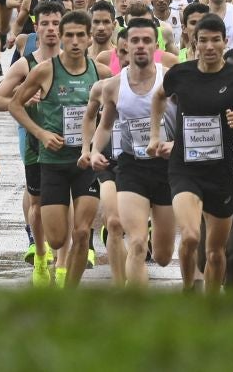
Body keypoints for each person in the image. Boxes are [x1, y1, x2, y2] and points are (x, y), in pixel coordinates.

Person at [149, 13, 233, 293]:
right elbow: (158, 97)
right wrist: (156, 135)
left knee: (216, 252)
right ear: (193, 42)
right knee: (190, 236)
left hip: (222, 174)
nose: (210, 46)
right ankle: (190, 288)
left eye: (216, 40)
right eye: (204, 41)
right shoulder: (181, 73)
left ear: (226, 42)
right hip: (184, 170)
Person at [9, 10, 102, 287]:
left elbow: (115, 111)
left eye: (80, 36)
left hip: (84, 163)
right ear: (61, 38)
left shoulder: (100, 72)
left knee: (83, 230)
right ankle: (44, 258)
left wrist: (98, 145)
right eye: (69, 35)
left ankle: (68, 290)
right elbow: (15, 105)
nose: (74, 41)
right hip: (52, 163)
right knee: (57, 238)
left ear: (88, 39)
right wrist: (41, 133)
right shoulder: (46, 70)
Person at [83, 17, 178, 287]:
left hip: (166, 168)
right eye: (134, 40)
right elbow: (105, 125)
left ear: (155, 45)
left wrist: (176, 144)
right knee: (136, 242)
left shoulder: (170, 78)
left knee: (162, 255)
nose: (140, 46)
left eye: (146, 40)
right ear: (125, 45)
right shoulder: (113, 85)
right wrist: (93, 152)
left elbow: (189, 116)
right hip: (131, 167)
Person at [0, 0, 65, 284]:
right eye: (44, 23)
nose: (50, 29)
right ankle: (40, 252)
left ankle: (61, 263)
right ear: (36, 26)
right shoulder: (26, 63)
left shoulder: (75, 60)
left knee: (66, 201)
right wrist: (22, 97)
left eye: (56, 23)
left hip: (66, 143)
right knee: (38, 202)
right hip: (35, 141)